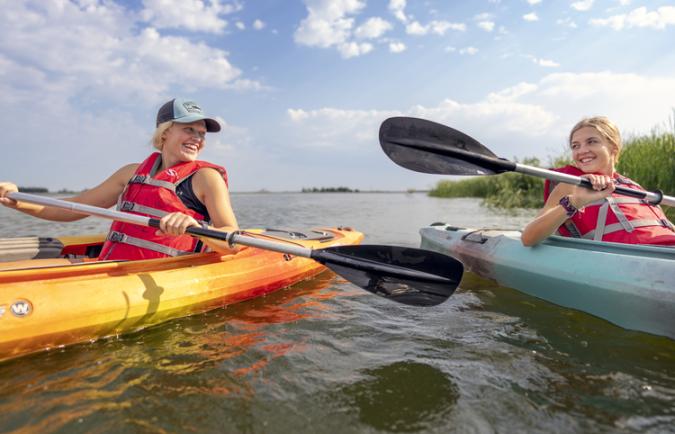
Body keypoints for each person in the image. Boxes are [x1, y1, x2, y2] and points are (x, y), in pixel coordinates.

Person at [0, 98, 239, 260]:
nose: (198, 138)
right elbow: (73, 208)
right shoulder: (131, 173)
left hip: (165, 275)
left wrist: (198, 229)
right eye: (189, 129)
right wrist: (17, 201)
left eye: (202, 133)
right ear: (165, 131)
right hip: (113, 267)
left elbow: (233, 241)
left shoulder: (206, 178)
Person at [521, 116, 675, 246]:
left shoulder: (632, 186)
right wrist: (575, 202)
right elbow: (528, 238)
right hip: (636, 256)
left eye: (592, 142)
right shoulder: (571, 184)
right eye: (575, 146)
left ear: (613, 148)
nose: (582, 150)